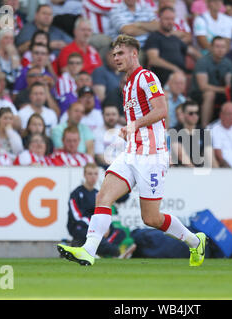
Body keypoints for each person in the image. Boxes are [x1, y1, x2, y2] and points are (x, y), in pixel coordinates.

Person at [57, 34, 206, 267]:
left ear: (133, 54)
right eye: (114, 54)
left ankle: (195, 242)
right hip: (131, 153)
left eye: (120, 53)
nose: (116, 58)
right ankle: (88, 250)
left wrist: (134, 125)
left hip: (152, 156)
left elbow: (162, 110)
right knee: (103, 197)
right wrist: (130, 130)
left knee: (151, 218)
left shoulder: (147, 77)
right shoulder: (126, 84)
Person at [66, 163, 136, 258]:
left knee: (119, 233)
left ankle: (96, 251)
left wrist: (105, 226)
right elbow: (77, 216)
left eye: (95, 174)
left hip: (96, 226)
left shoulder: (98, 194)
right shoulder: (76, 194)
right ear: (84, 175)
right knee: (88, 233)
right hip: (80, 226)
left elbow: (104, 211)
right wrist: (96, 226)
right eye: (90, 174)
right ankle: (114, 251)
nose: (93, 177)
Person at [189, 36, 232, 128]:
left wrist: (227, 90)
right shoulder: (203, 62)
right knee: (210, 94)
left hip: (219, 93)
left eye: (223, 47)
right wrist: (224, 90)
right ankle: (205, 127)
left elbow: (229, 84)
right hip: (198, 94)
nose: (220, 50)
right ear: (211, 48)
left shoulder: (228, 63)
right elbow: (203, 86)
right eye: (217, 46)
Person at [144, 6, 187, 86]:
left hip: (180, 75)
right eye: (167, 19)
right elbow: (153, 60)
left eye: (172, 19)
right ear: (159, 19)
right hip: (162, 78)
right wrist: (175, 68)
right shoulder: (154, 37)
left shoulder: (175, 38)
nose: (170, 22)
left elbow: (190, 50)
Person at [170, 100, 216, 168]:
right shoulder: (174, 131)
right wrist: (195, 174)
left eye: (197, 113)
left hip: (198, 172)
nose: (195, 115)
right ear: (183, 114)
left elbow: (211, 158)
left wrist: (218, 173)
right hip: (179, 172)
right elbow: (181, 156)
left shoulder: (204, 132)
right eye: (191, 113)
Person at [94, 104, 125, 168]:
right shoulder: (96, 132)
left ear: (118, 115)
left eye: (113, 114)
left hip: (123, 167)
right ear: (102, 116)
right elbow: (99, 156)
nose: (111, 117)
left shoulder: (124, 131)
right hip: (105, 167)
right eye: (108, 115)